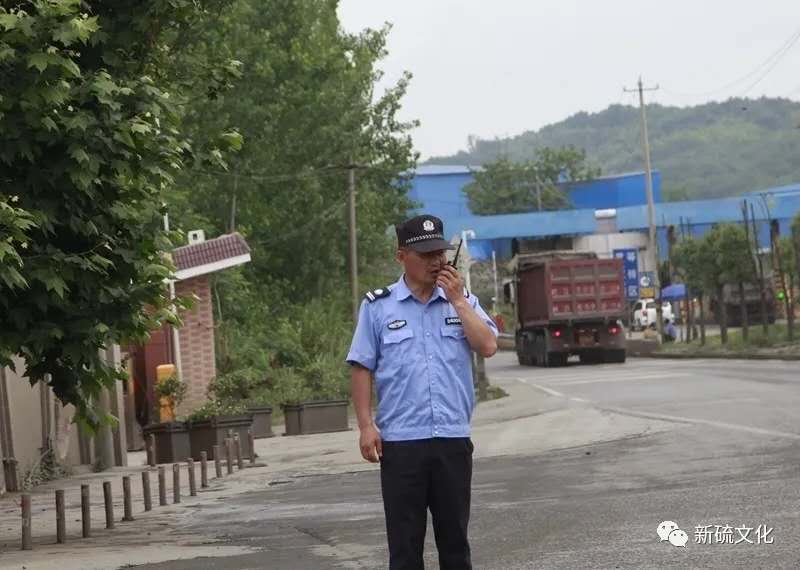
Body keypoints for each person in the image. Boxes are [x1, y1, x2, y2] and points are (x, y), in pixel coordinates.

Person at [346, 214, 499, 570]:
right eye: (426, 254)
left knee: (455, 545)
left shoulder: (461, 302)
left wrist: (458, 301)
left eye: (440, 253)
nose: (436, 261)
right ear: (402, 256)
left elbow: (488, 346)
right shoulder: (378, 306)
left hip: (452, 439)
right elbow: (361, 366)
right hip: (401, 445)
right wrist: (366, 426)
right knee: (404, 548)